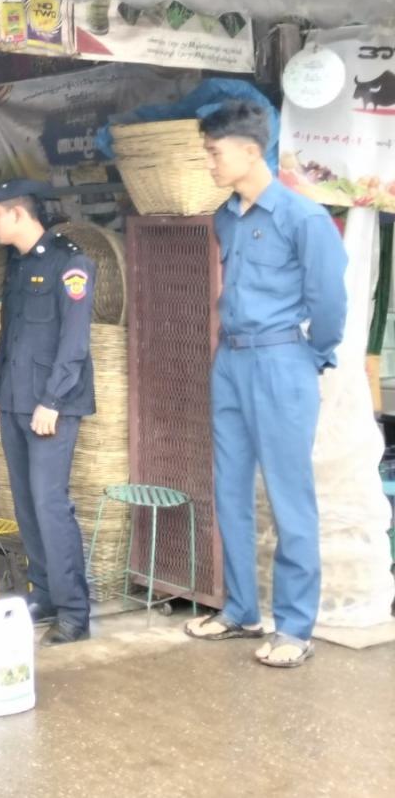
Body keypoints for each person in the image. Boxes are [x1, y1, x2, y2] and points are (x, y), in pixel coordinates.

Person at [184, 100, 348, 669]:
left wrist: (312, 357)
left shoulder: (304, 218)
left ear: (251, 150)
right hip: (230, 360)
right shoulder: (226, 217)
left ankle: (295, 628)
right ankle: (241, 611)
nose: (208, 162)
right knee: (229, 488)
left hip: (282, 360)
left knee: (288, 496)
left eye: (214, 152)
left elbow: (330, 302)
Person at [0, 179, 96, 646]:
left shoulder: (71, 263)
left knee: (50, 504)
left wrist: (53, 401)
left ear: (18, 214)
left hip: (50, 406)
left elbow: (74, 341)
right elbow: (9, 334)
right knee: (26, 504)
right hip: (14, 400)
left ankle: (74, 611)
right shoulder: (19, 265)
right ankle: (44, 593)